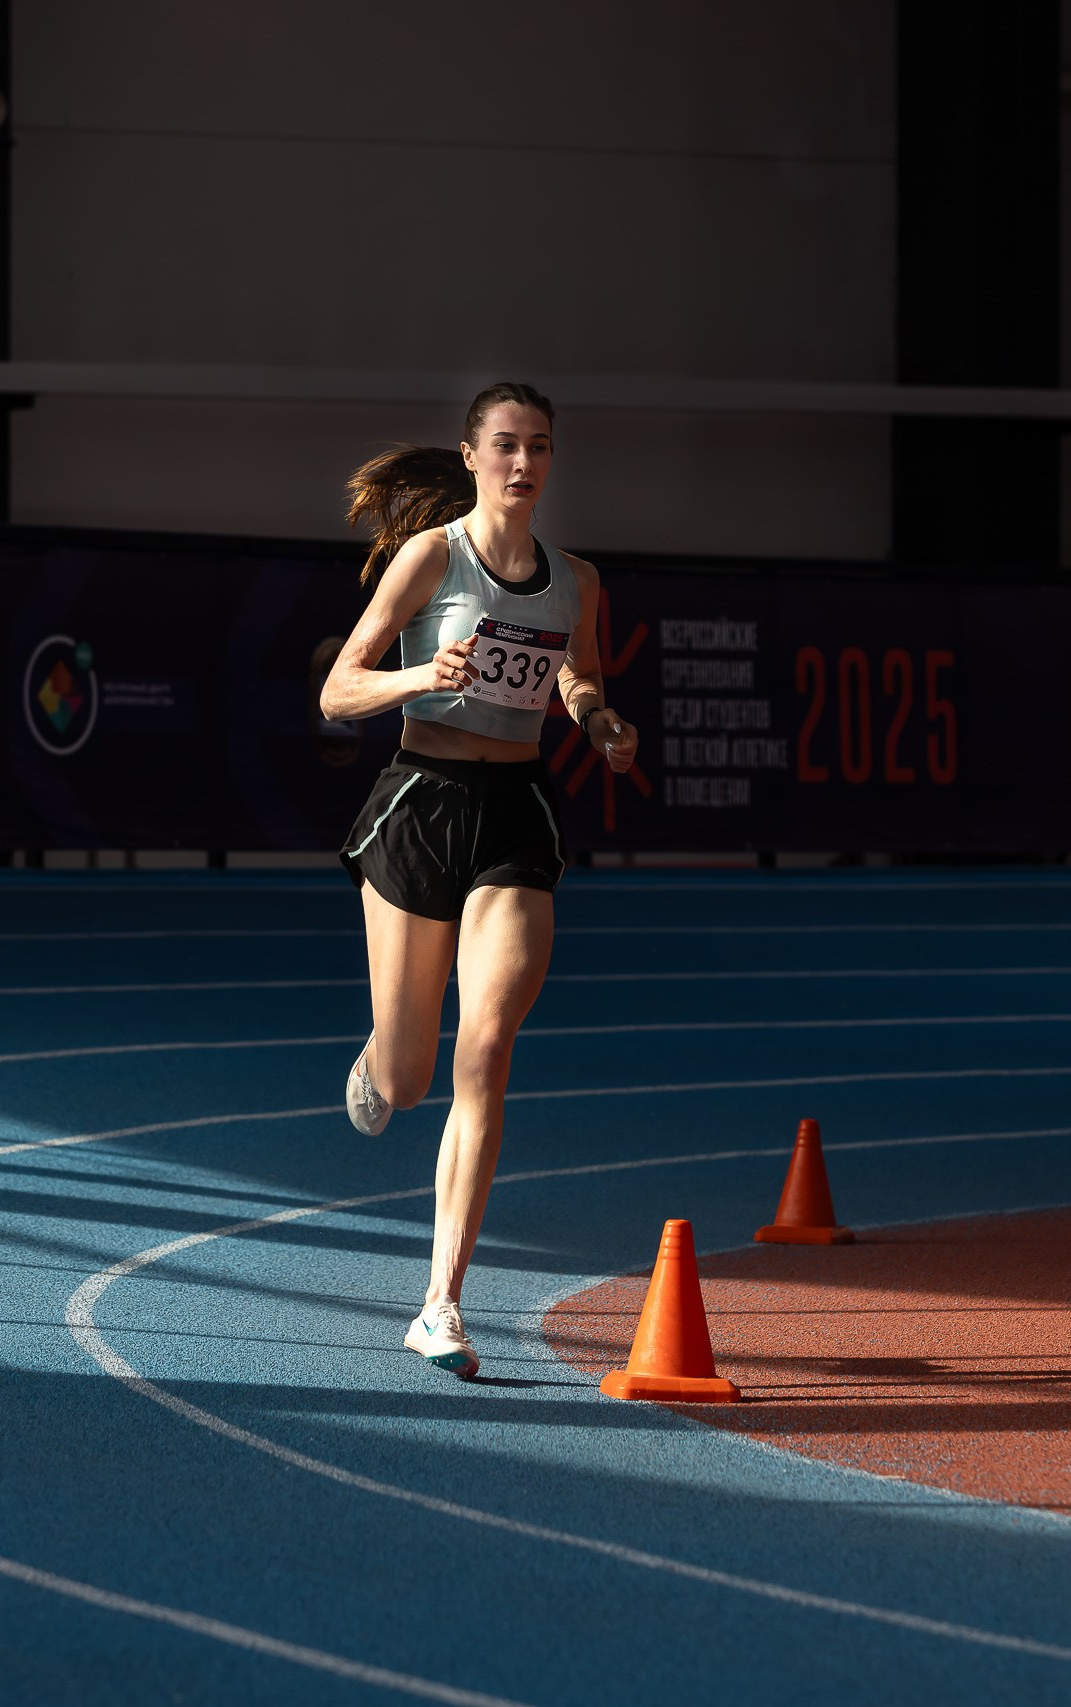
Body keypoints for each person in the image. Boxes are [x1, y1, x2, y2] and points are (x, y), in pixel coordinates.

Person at [319, 381, 638, 1379]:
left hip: (514, 812)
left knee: (488, 1046)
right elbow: (338, 690)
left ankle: (441, 1304)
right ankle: (380, 1057)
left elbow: (578, 672)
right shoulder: (431, 556)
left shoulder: (576, 579)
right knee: (409, 1080)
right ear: (470, 457)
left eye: (538, 446)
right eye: (505, 444)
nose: (522, 462)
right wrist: (425, 675)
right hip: (422, 800)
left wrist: (596, 718)